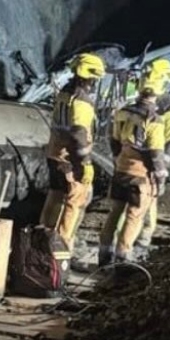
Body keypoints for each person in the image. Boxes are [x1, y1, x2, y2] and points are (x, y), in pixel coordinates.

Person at [40, 53, 105, 268]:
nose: (95, 83)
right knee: (73, 206)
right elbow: (79, 135)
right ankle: (61, 256)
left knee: (53, 200)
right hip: (70, 161)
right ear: (89, 77)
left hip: (54, 155)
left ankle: (41, 246)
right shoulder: (82, 101)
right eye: (95, 79)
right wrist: (85, 164)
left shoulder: (64, 93)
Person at [98, 86, 167, 266]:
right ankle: (122, 259)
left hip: (121, 170)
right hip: (141, 176)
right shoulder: (155, 120)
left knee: (115, 212)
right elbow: (155, 154)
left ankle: (104, 257)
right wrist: (161, 178)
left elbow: (113, 140)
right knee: (134, 216)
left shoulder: (123, 112)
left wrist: (118, 158)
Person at [126, 59, 170, 260]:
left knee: (148, 201)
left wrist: (160, 166)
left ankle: (141, 240)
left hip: (150, 159)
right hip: (141, 159)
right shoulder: (156, 104)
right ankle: (131, 241)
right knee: (139, 202)